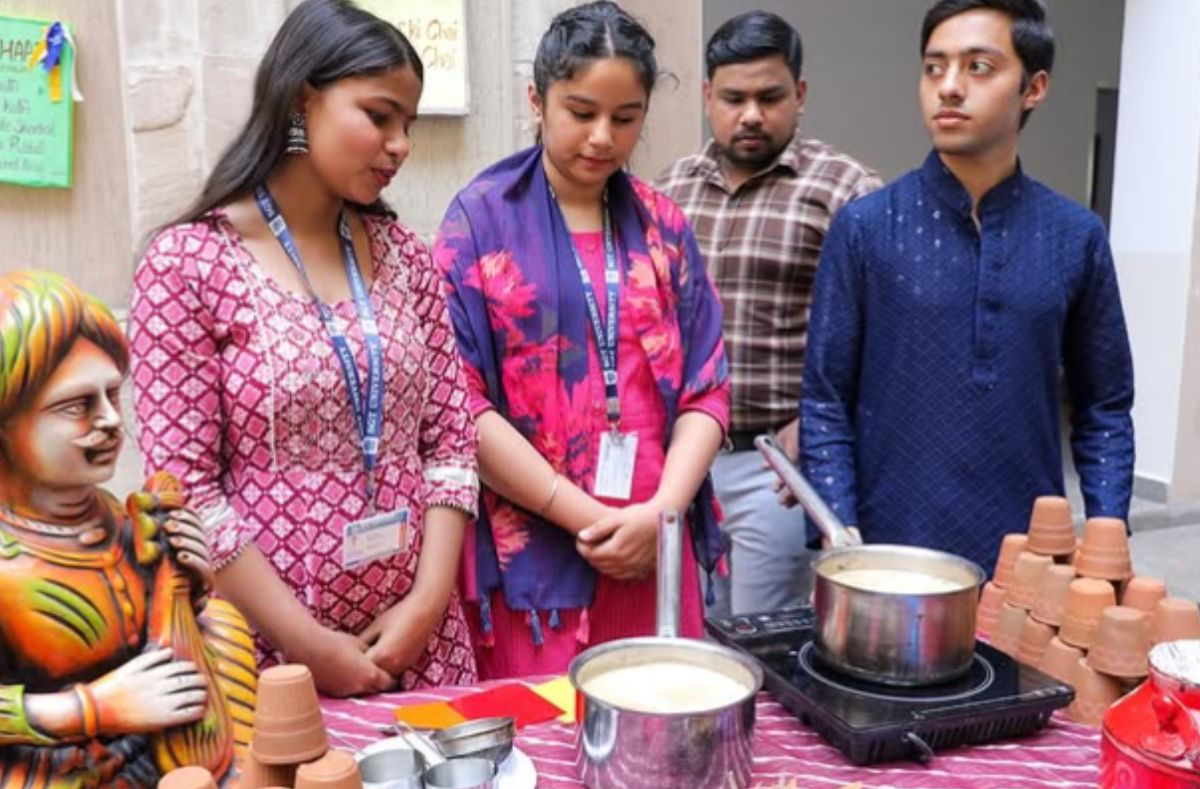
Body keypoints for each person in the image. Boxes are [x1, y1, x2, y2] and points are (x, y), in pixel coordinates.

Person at [130, 0, 479, 698]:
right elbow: (187, 492)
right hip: (265, 657)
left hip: (419, 643)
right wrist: (310, 645)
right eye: (378, 116)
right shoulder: (188, 264)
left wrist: (427, 604)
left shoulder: (406, 258)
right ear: (301, 99)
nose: (400, 144)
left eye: (406, 124)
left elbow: (450, 444)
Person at [435, 1, 729, 678]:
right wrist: (588, 517)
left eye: (625, 119)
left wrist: (660, 516)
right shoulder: (479, 223)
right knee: (544, 746)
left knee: (656, 727)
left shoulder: (663, 224)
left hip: (655, 537)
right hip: (535, 551)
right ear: (537, 100)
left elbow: (707, 389)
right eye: (581, 111)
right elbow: (458, 405)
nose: (602, 136)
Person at [801, 0, 1135, 573]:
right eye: (934, 67)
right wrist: (837, 525)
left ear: (1034, 87)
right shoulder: (866, 227)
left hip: (1029, 565)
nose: (948, 87)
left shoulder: (1075, 237)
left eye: (978, 67)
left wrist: (1107, 537)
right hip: (886, 555)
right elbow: (825, 398)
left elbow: (1105, 405)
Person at [0, 270, 256, 789]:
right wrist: (90, 710)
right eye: (77, 406)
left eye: (114, 395)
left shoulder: (122, 519)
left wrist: (190, 586)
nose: (111, 421)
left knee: (225, 624)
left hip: (159, 756)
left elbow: (171, 637)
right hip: (47, 781)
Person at [656, 12, 880, 615]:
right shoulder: (667, 192)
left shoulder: (848, 193)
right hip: (677, 461)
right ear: (708, 97)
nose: (750, 113)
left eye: (769, 96)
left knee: (764, 643)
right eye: (733, 97)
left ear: (799, 95)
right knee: (684, 632)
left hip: (776, 467)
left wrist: (820, 425)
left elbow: (890, 335)